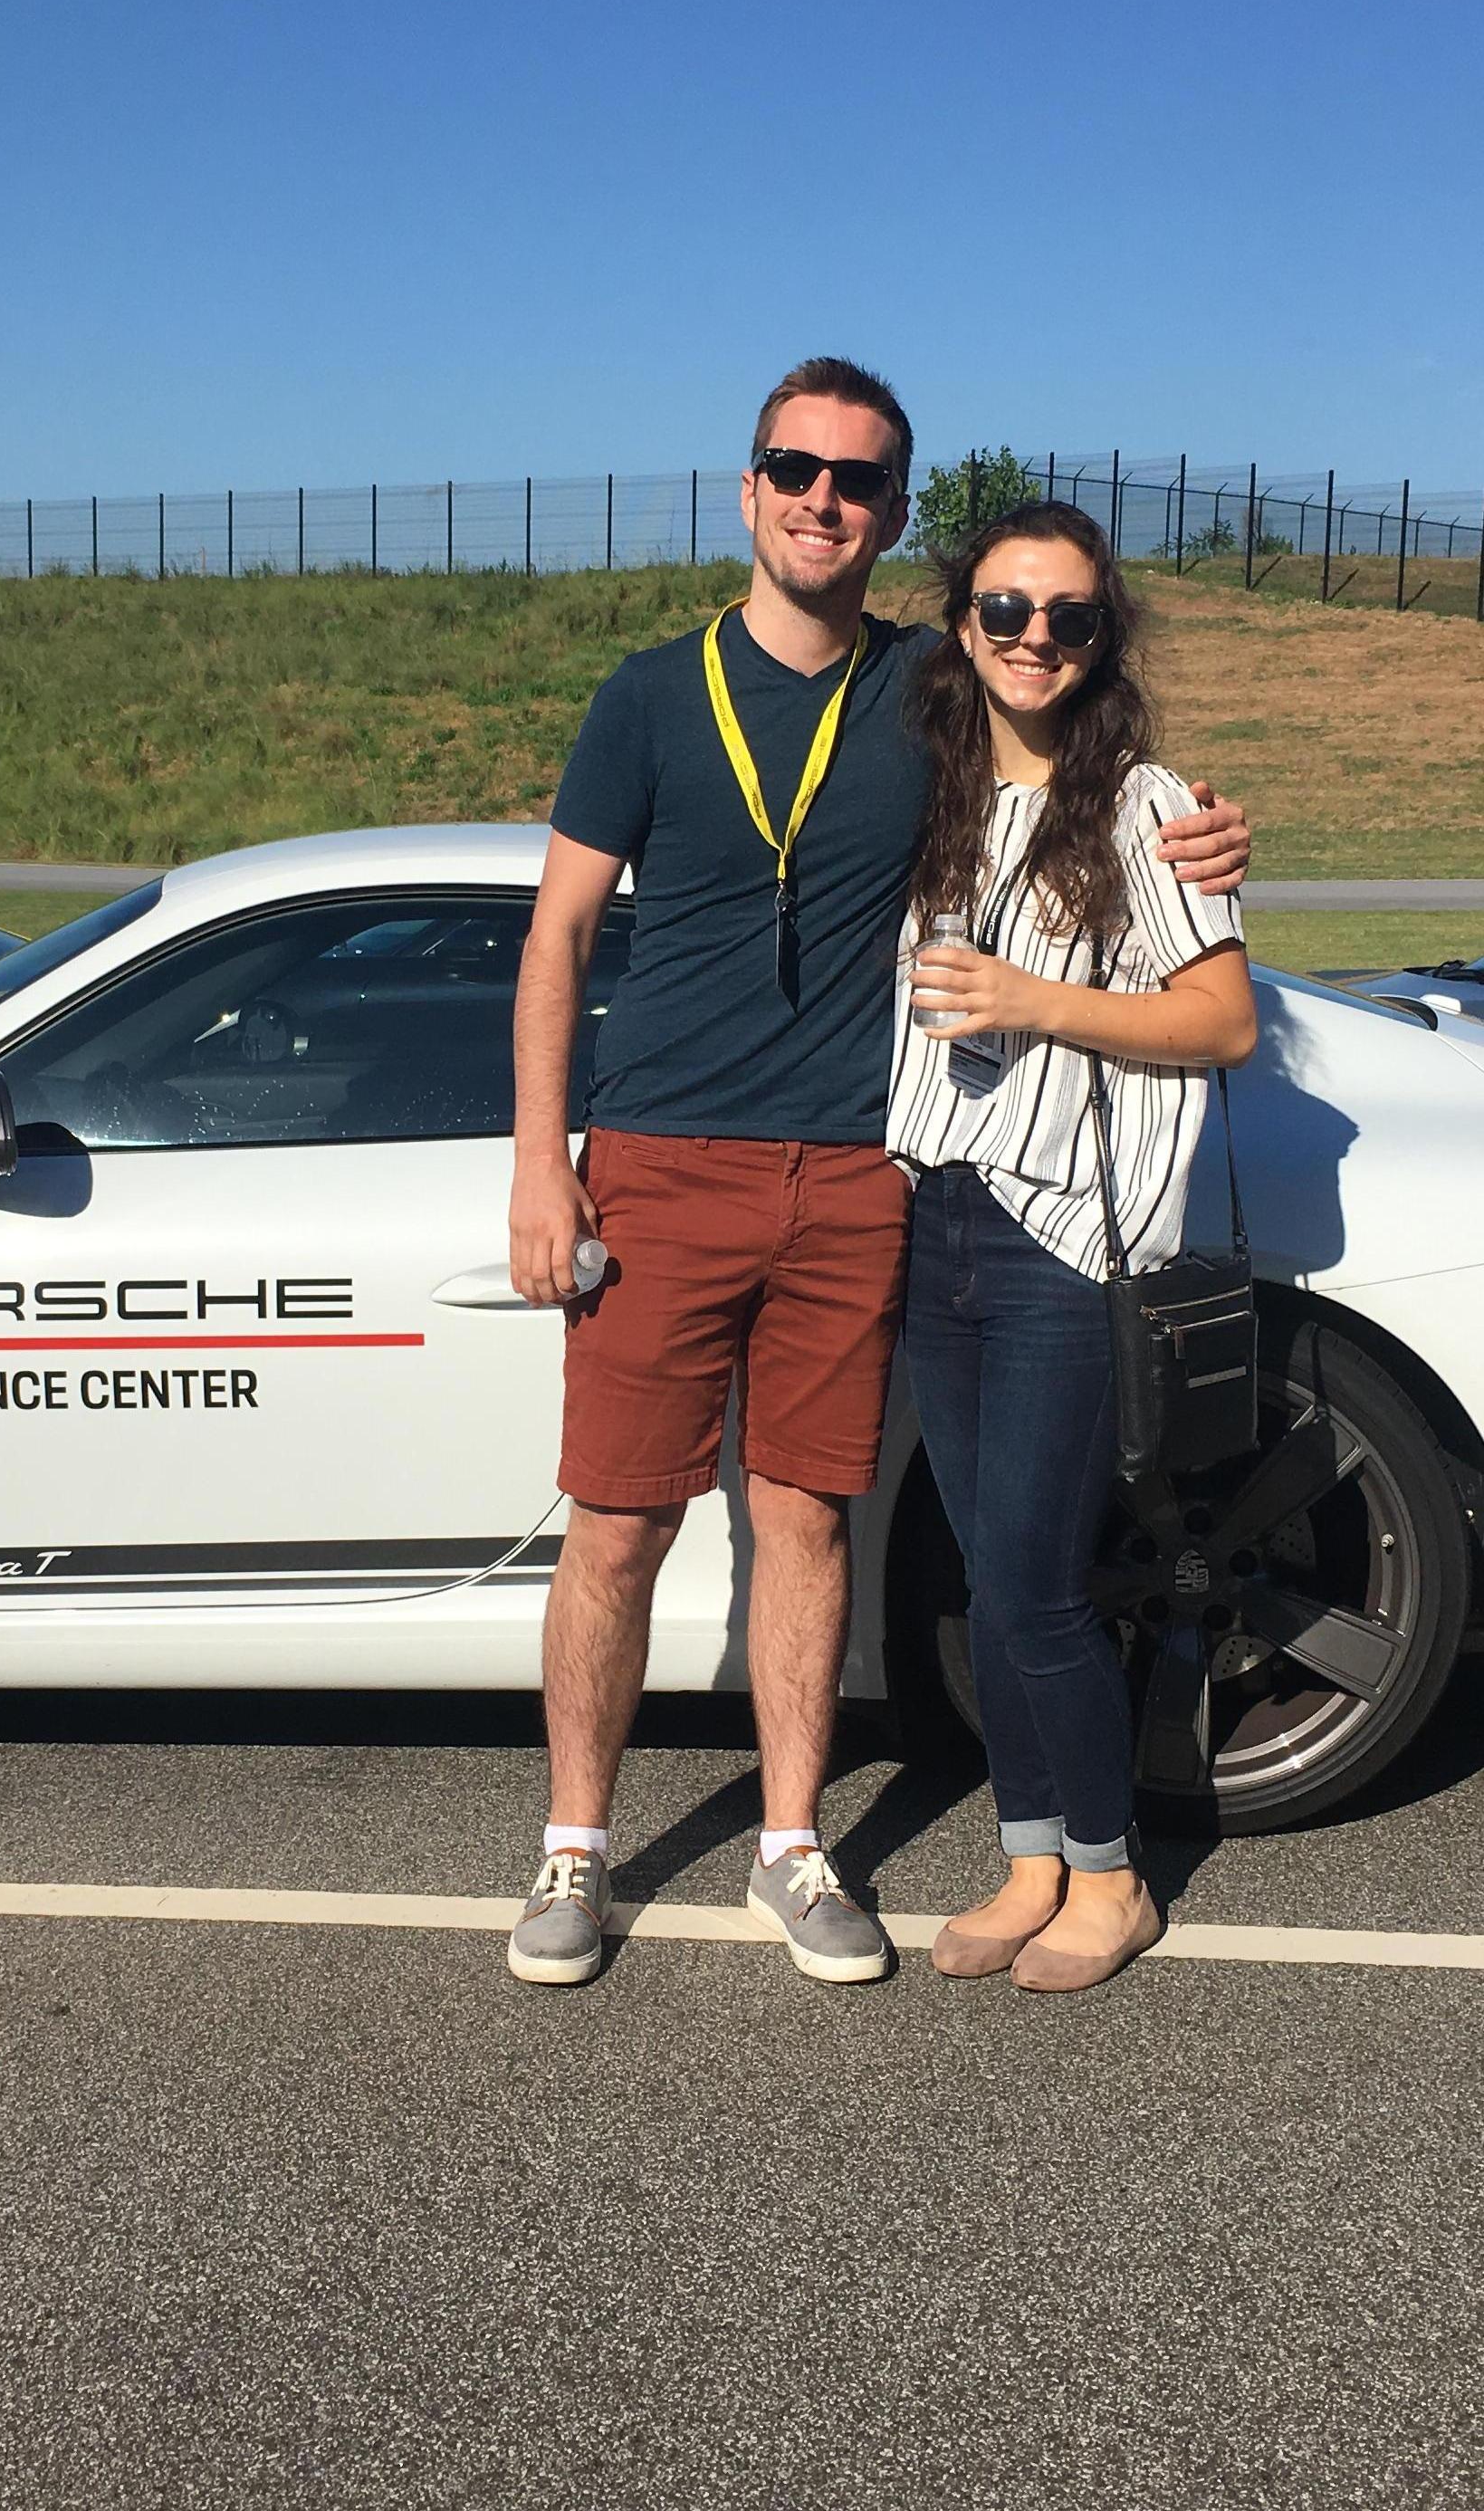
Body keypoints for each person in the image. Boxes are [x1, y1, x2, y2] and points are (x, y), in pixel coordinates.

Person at [504, 357, 1250, 1991]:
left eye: (853, 479)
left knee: (808, 1523)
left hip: (858, 1176)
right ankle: (573, 1850)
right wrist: (539, 1169)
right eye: (793, 467)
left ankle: (793, 1844)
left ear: (891, 510)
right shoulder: (651, 696)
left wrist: (1202, 833)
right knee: (618, 1526)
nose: (819, 498)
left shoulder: (930, 684)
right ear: (749, 481)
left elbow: (1111, 798)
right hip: (668, 1161)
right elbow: (555, 936)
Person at [893, 504, 1254, 1989]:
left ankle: (1109, 1875)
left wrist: (1030, 1001)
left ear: (1102, 637)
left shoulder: (1143, 801)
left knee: (1038, 1583)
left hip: (1057, 1235)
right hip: (934, 1217)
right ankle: (1028, 1851)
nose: (1032, 637)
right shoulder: (924, 787)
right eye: (1002, 609)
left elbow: (1219, 1020)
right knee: (988, 1575)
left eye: (1066, 616)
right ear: (958, 622)